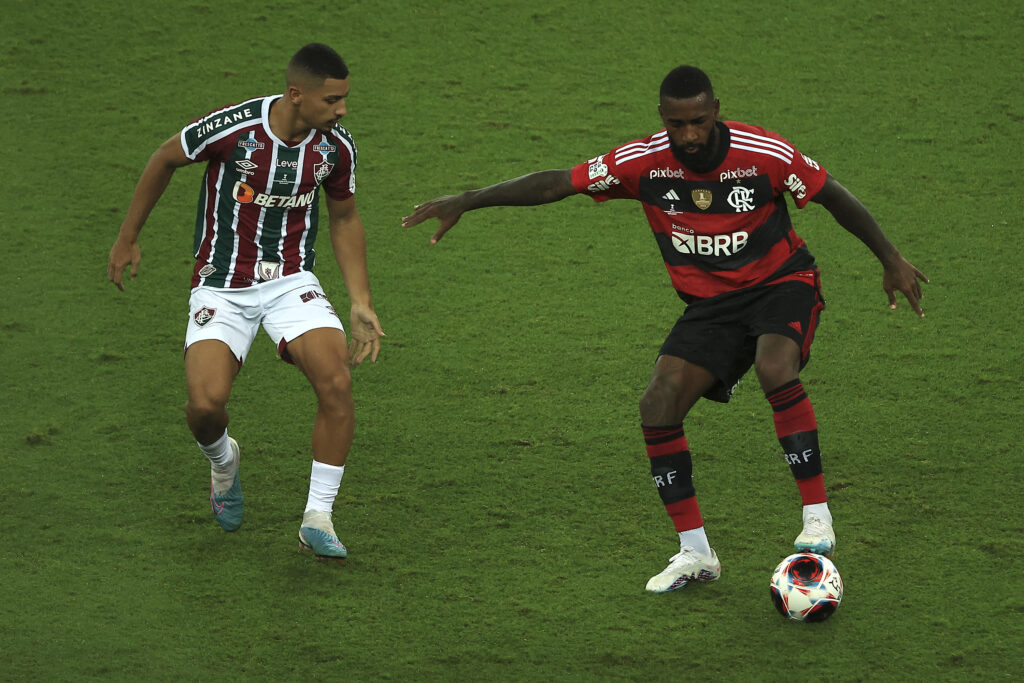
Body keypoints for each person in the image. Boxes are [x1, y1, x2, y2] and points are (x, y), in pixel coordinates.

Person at [402, 65, 927, 592]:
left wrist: (891, 258)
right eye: (677, 124)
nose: (690, 135)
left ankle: (817, 516)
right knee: (657, 404)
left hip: (781, 283)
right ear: (662, 119)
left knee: (775, 367)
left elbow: (831, 193)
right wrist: (468, 199)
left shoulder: (763, 153)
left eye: (699, 121)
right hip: (711, 306)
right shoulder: (642, 163)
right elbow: (555, 185)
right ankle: (695, 554)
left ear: (716, 110)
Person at [108, 43, 385, 563]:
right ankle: (223, 461)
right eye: (333, 100)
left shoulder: (335, 147)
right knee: (205, 407)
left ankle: (317, 518)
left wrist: (359, 300)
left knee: (337, 381)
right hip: (221, 284)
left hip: (291, 282)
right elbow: (165, 157)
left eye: (345, 99)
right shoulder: (235, 128)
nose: (342, 109)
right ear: (297, 95)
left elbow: (345, 218)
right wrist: (128, 237)